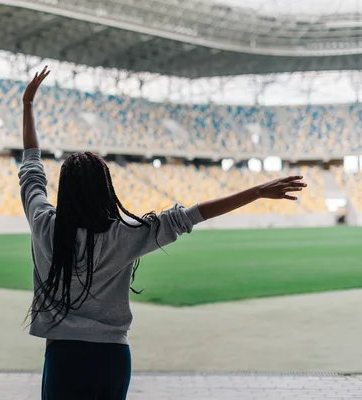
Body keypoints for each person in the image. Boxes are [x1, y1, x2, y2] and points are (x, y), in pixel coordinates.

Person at [18, 67, 307, 400]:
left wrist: (28, 105)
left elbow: (31, 167)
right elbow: (190, 216)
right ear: (105, 189)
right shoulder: (123, 234)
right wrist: (255, 191)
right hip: (112, 356)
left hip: (63, 356)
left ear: (63, 190)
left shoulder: (43, 223)